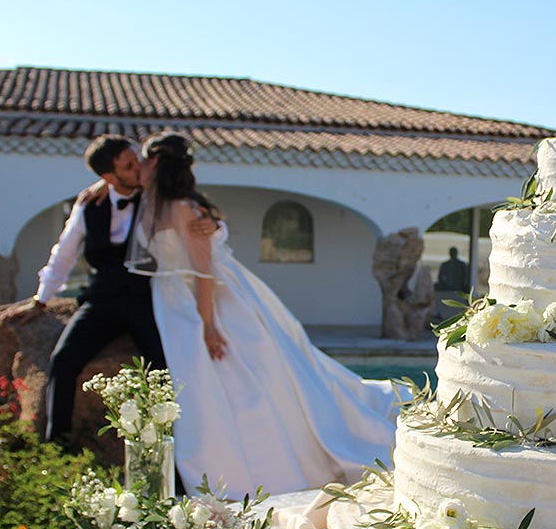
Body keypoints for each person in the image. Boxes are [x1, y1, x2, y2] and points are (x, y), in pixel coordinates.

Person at [134, 132, 396, 497]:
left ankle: (267, 462)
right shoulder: (149, 202)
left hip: (204, 302)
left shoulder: (182, 209)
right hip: (173, 300)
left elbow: (203, 270)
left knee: (247, 376)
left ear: (157, 164)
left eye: (144, 160)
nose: (138, 166)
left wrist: (208, 325)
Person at [15, 135, 215, 443]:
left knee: (163, 368)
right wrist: (41, 300)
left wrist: (214, 224)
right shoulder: (88, 206)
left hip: (148, 299)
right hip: (102, 301)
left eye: (137, 159)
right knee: (63, 360)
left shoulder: (156, 195)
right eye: (129, 165)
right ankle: (58, 445)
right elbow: (64, 254)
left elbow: (198, 218)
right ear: (109, 176)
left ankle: (169, 450)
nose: (139, 167)